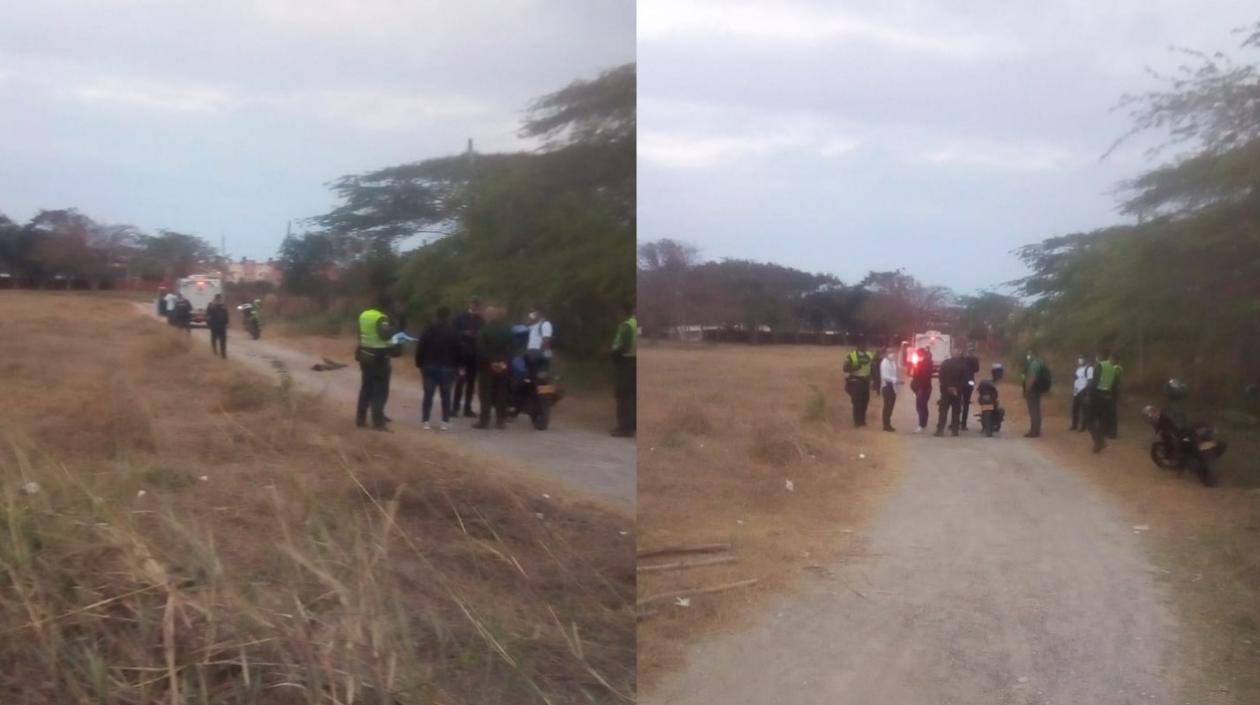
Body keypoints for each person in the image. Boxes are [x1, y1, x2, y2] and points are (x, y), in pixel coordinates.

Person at [355, 296, 397, 431]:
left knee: (366, 387)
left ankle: (360, 418)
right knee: (380, 389)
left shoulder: (364, 315)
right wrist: (393, 331)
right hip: (379, 358)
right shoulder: (382, 318)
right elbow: (385, 335)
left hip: (365, 355)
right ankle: (378, 422)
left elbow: (361, 334)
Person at [415, 306, 461, 431]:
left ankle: (425, 421)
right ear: (448, 316)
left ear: (436, 315)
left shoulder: (428, 329)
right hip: (447, 366)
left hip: (429, 365)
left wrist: (419, 363)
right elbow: (458, 350)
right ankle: (445, 421)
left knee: (428, 394)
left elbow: (421, 346)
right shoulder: (453, 331)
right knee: (446, 395)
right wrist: (458, 366)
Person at [473, 306, 514, 430]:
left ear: (489, 317)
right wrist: (503, 362)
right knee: (502, 393)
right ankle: (500, 421)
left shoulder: (484, 330)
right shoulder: (508, 330)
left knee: (485, 394)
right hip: (503, 366)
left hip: (486, 367)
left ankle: (484, 420)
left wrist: (491, 362)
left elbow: (480, 349)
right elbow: (512, 348)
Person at [452, 297, 484, 418]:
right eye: (474, 304)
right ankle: (455, 407)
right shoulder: (460, 318)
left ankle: (467, 408)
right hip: (462, 354)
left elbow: (482, 335)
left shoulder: (481, 320)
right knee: (460, 381)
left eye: (477, 304)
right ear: (470, 304)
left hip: (474, 355)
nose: (475, 306)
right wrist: (463, 333)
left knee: (471, 383)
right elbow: (453, 332)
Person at [1088, 349, 1123, 452]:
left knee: (1089, 420)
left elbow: (1094, 382)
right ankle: (1100, 441)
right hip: (1108, 398)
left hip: (1097, 397)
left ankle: (1099, 441)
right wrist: (1114, 399)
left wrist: (1090, 396)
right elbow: (1115, 386)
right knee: (1103, 421)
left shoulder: (1100, 366)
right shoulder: (1115, 369)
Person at [611, 305, 637, 437]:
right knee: (633, 395)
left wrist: (614, 354)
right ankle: (633, 425)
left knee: (623, 397)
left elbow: (624, 347)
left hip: (626, 363)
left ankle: (624, 428)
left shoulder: (628, 325)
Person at [935, 349, 967, 437]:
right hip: (957, 392)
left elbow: (941, 376)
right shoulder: (962, 365)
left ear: (951, 354)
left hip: (946, 391)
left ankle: (940, 430)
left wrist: (947, 387)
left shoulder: (945, 363)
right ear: (958, 355)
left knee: (943, 410)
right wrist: (957, 388)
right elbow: (964, 379)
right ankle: (955, 430)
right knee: (956, 411)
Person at [843, 342, 874, 427]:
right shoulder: (852, 356)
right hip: (856, 381)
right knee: (857, 403)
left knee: (865, 401)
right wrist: (856, 367)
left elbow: (872, 366)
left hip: (865, 381)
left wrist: (873, 379)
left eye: (865, 345)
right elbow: (845, 368)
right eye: (863, 345)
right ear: (858, 347)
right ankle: (857, 422)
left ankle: (862, 421)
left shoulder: (869, 355)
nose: (865, 347)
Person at [1022, 349, 1049, 438]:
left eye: (1029, 354)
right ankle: (1037, 430)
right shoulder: (1040, 362)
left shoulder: (1034, 364)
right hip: (1039, 389)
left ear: (1033, 354)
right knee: (1037, 410)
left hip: (1033, 390)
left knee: (1033, 411)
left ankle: (1033, 431)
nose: (1028, 356)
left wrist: (1028, 389)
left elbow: (1033, 377)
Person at [909, 347, 934, 432]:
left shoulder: (924, 364)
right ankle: (924, 423)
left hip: (922, 388)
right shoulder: (927, 363)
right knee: (923, 406)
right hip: (925, 388)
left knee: (920, 407)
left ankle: (921, 424)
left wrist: (919, 388)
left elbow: (919, 376)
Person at [526, 303, 554, 373]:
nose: (531, 314)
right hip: (531, 354)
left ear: (539, 312)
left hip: (539, 354)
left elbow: (546, 340)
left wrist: (540, 353)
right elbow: (527, 326)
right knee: (531, 377)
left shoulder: (546, 324)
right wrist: (531, 320)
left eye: (533, 311)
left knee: (541, 377)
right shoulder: (534, 325)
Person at [879, 348, 901, 432]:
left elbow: (894, 373)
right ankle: (886, 425)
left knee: (891, 406)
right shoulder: (884, 363)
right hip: (887, 386)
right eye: (890, 352)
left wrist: (897, 380)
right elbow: (885, 376)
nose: (892, 354)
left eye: (893, 352)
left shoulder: (892, 362)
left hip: (892, 386)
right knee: (887, 406)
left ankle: (888, 423)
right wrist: (895, 380)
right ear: (886, 354)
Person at [1070, 354, 1093, 431]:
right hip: (1077, 389)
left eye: (1082, 358)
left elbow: (1090, 381)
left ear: (1086, 359)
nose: (1080, 359)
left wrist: (1087, 393)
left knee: (1084, 409)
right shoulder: (1079, 368)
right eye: (1079, 358)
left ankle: (1083, 426)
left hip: (1084, 390)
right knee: (1075, 408)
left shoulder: (1089, 368)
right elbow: (1076, 378)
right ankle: (1074, 425)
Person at [960, 346, 981, 430]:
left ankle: (963, 423)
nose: (970, 353)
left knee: (966, 403)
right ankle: (955, 422)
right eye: (969, 351)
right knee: (957, 403)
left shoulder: (974, 360)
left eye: (972, 351)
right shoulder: (962, 359)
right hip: (960, 382)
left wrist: (974, 360)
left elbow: (977, 369)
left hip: (969, 382)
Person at [206, 294, 229, 359]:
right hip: (214, 326)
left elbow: (226, 314)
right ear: (215, 298)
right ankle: (214, 351)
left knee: (223, 341)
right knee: (214, 339)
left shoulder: (223, 305)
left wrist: (227, 323)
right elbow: (208, 316)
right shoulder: (211, 305)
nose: (218, 300)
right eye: (217, 298)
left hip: (222, 326)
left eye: (219, 298)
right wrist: (209, 324)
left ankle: (223, 355)